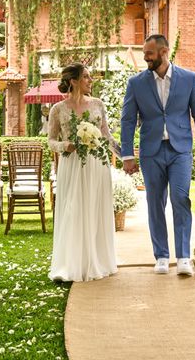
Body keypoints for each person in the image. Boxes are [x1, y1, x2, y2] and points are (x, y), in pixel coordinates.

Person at [121, 34, 195, 276]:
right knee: (154, 203)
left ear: (163, 52)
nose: (145, 58)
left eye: (149, 54)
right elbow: (128, 120)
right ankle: (161, 256)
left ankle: (183, 257)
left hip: (180, 150)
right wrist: (127, 154)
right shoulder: (136, 83)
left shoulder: (189, 79)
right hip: (150, 152)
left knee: (180, 200)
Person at [47, 63, 119, 282]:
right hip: (72, 165)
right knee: (73, 210)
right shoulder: (58, 109)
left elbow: (107, 136)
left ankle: (97, 261)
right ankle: (71, 263)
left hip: (98, 165)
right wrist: (64, 146)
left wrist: (126, 156)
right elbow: (50, 141)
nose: (90, 80)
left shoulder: (98, 104)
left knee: (96, 210)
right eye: (86, 77)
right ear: (74, 81)